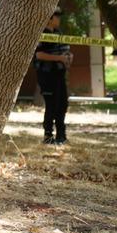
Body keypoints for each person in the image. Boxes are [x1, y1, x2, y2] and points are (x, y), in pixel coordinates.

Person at [33, 8, 72, 144]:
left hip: (59, 75)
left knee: (62, 104)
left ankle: (61, 135)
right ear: (49, 18)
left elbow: (64, 51)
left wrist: (67, 57)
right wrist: (59, 58)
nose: (59, 19)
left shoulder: (58, 32)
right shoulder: (42, 33)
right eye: (57, 17)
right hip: (47, 75)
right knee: (52, 105)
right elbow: (39, 55)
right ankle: (48, 136)